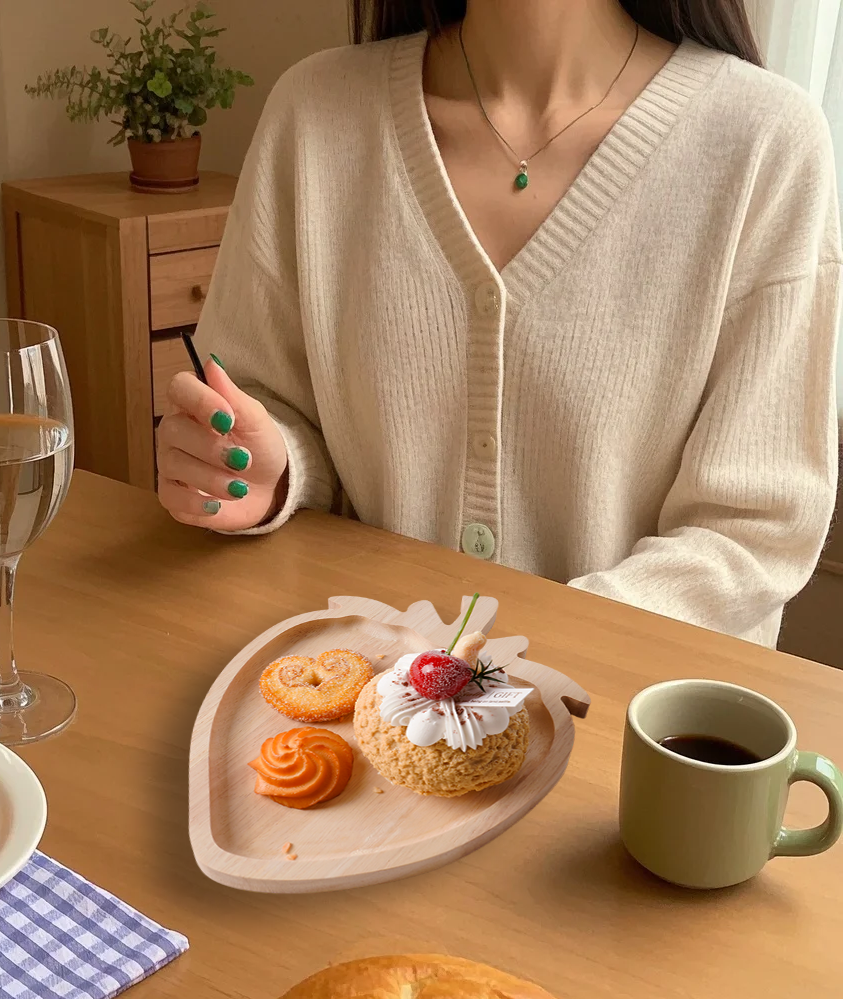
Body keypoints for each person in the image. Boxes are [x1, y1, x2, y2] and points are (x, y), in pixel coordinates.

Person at [156, 0, 841, 648]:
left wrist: (505, 661)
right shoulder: (313, 114)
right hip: (359, 724)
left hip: (631, 732)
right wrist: (273, 470)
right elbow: (264, 405)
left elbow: (753, 530)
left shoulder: (765, 145)